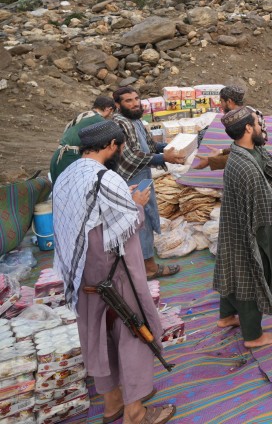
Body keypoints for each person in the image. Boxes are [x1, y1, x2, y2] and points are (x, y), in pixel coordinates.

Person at [52, 120, 176, 424]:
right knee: (133, 332)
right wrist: (135, 204)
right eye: (118, 146)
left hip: (83, 275)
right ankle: (135, 413)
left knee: (96, 337)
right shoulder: (107, 179)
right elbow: (125, 228)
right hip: (115, 274)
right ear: (110, 146)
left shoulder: (67, 175)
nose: (119, 151)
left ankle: (112, 405)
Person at [214, 106, 272, 348]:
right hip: (248, 228)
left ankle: (226, 316)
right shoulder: (244, 167)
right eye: (257, 123)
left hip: (237, 223)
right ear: (248, 128)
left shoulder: (251, 151)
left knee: (231, 267)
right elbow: (267, 206)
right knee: (251, 274)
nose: (261, 127)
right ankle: (253, 336)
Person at [112, 86, 186, 281]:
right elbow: (130, 157)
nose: (135, 103)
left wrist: (171, 147)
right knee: (140, 220)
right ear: (118, 105)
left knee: (145, 216)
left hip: (142, 175)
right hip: (131, 179)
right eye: (128, 100)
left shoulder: (135, 121)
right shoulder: (120, 123)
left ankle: (142, 263)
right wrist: (164, 158)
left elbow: (150, 146)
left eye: (137, 98)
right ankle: (149, 268)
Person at [51, 96, 117, 183]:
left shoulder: (85, 115)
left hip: (59, 156)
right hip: (70, 157)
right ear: (109, 109)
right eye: (111, 112)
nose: (110, 116)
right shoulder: (99, 120)